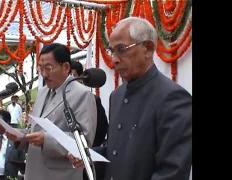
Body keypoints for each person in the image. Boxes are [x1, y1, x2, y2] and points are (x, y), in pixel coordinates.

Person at [68, 17, 192, 180]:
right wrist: (88, 155)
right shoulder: (117, 96)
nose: (114, 59)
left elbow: (172, 172)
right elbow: (116, 151)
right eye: (112, 51)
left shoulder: (173, 98)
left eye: (122, 49)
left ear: (147, 48)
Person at [6, 43, 97, 180]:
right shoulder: (42, 92)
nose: (44, 74)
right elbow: (35, 129)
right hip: (34, 171)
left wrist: (46, 140)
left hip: (60, 174)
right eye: (40, 69)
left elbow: (83, 143)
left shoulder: (82, 95)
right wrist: (21, 137)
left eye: (48, 68)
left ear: (66, 67)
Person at [71, 61, 109, 180]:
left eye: (72, 76)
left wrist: (90, 151)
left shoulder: (91, 99)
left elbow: (102, 128)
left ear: (81, 78)